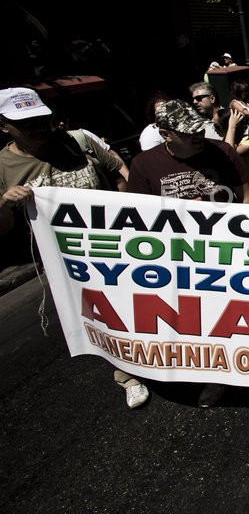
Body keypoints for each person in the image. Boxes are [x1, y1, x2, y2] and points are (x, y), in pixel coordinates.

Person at [0, 88, 146, 408]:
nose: (40, 128)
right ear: (4, 126)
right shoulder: (3, 166)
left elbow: (118, 174)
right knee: (106, 316)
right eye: (28, 125)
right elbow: (4, 229)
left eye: (43, 119)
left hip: (119, 245)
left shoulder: (77, 140)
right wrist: (5, 202)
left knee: (146, 305)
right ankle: (127, 372)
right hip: (69, 262)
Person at [127, 99, 249, 408]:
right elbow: (139, 219)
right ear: (166, 134)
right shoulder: (145, 165)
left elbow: (246, 197)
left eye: (199, 128)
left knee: (238, 316)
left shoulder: (223, 152)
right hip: (181, 260)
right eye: (188, 132)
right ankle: (214, 375)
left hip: (229, 252)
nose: (198, 135)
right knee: (200, 321)